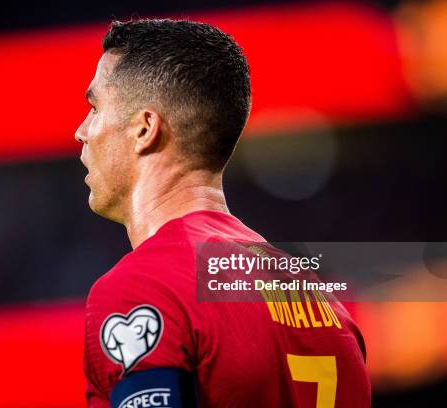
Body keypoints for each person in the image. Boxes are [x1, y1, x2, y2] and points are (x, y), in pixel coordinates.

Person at [76, 18, 370, 408]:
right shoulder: (326, 304)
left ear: (145, 129)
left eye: (94, 108)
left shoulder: (142, 289)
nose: (82, 131)